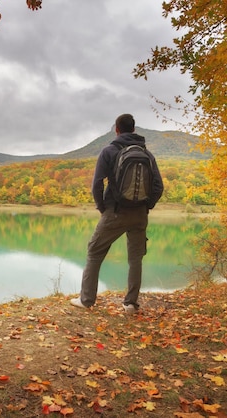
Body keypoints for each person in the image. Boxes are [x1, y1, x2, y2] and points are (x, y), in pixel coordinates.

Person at [70, 114, 163, 313]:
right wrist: (147, 206)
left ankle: (86, 300)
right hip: (139, 214)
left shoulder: (109, 151)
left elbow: (97, 184)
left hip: (115, 211)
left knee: (94, 251)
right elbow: (158, 186)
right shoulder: (147, 154)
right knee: (135, 258)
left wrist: (102, 207)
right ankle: (131, 304)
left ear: (117, 130)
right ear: (134, 129)